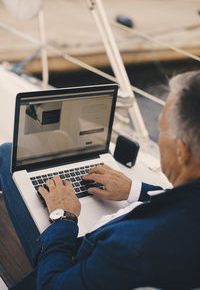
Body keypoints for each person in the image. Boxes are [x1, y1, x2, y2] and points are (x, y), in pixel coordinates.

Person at [1, 70, 200, 289]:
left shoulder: (129, 247)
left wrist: (64, 218)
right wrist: (133, 189)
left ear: (182, 150)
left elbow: (52, 285)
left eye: (161, 129)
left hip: (69, 256)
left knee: (7, 153)